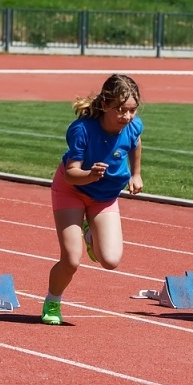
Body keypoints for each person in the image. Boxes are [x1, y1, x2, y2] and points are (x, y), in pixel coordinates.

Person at [40, 74, 144, 326]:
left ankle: (90, 234)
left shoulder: (133, 126)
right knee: (71, 260)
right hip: (72, 190)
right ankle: (52, 301)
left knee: (110, 261)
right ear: (105, 104)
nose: (127, 116)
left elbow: (136, 142)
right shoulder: (82, 130)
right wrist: (90, 175)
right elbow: (72, 174)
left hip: (105, 196)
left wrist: (136, 173)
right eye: (120, 110)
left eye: (132, 110)